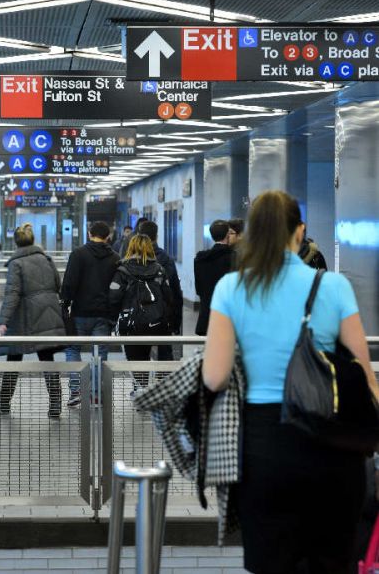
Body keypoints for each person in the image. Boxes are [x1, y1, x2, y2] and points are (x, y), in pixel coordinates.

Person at [202, 190, 378, 574]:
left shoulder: (231, 288)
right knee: (332, 561)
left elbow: (214, 377)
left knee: (272, 561)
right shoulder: (333, 286)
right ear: (300, 231)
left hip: (263, 447)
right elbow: (366, 377)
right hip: (332, 444)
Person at [0, 223, 65, 419]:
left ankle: (4, 401)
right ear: (33, 239)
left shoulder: (16, 263)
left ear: (15, 242)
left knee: (13, 358)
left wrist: (3, 320)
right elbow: (58, 284)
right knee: (47, 360)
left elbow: (12, 293)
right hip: (47, 313)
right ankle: (55, 404)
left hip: (24, 317)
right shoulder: (46, 259)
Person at [61, 220, 119, 407]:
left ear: (89, 234)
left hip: (79, 311)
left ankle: (76, 391)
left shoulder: (78, 254)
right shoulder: (115, 258)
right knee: (99, 353)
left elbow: (69, 283)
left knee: (72, 349)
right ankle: (95, 394)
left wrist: (65, 304)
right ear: (108, 237)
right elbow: (117, 288)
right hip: (103, 314)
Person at [109, 233, 174, 393]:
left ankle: (140, 389)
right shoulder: (160, 270)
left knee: (136, 358)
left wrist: (115, 317)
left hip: (132, 323)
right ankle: (159, 391)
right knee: (159, 355)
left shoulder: (123, 270)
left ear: (130, 247)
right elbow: (169, 297)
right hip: (157, 322)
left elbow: (113, 297)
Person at [138, 220, 183, 359]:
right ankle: (164, 373)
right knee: (165, 355)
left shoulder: (131, 260)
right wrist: (176, 322)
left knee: (139, 358)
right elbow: (175, 291)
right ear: (156, 236)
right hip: (162, 315)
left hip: (138, 316)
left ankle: (140, 374)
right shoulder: (165, 259)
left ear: (139, 236)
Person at [194, 219, 234, 336]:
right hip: (227, 317)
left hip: (206, 316)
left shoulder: (200, 259)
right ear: (227, 235)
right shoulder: (234, 258)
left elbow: (198, 289)